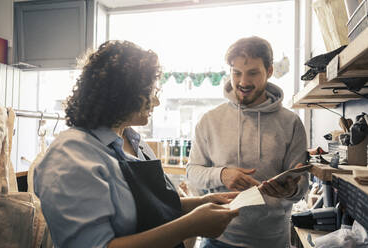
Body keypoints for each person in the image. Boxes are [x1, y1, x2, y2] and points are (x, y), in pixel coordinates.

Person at [33, 40, 240, 248]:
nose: (156, 102)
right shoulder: (70, 156)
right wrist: (190, 226)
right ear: (122, 94)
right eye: (151, 92)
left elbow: (154, 206)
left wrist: (202, 202)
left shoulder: (134, 141)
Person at [186, 36, 309, 248]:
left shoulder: (292, 123)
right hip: (217, 240)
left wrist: (290, 190)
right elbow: (192, 173)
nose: (243, 82)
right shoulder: (209, 120)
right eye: (236, 73)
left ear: (269, 71)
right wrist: (222, 174)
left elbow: (302, 184)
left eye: (252, 73)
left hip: (272, 241)